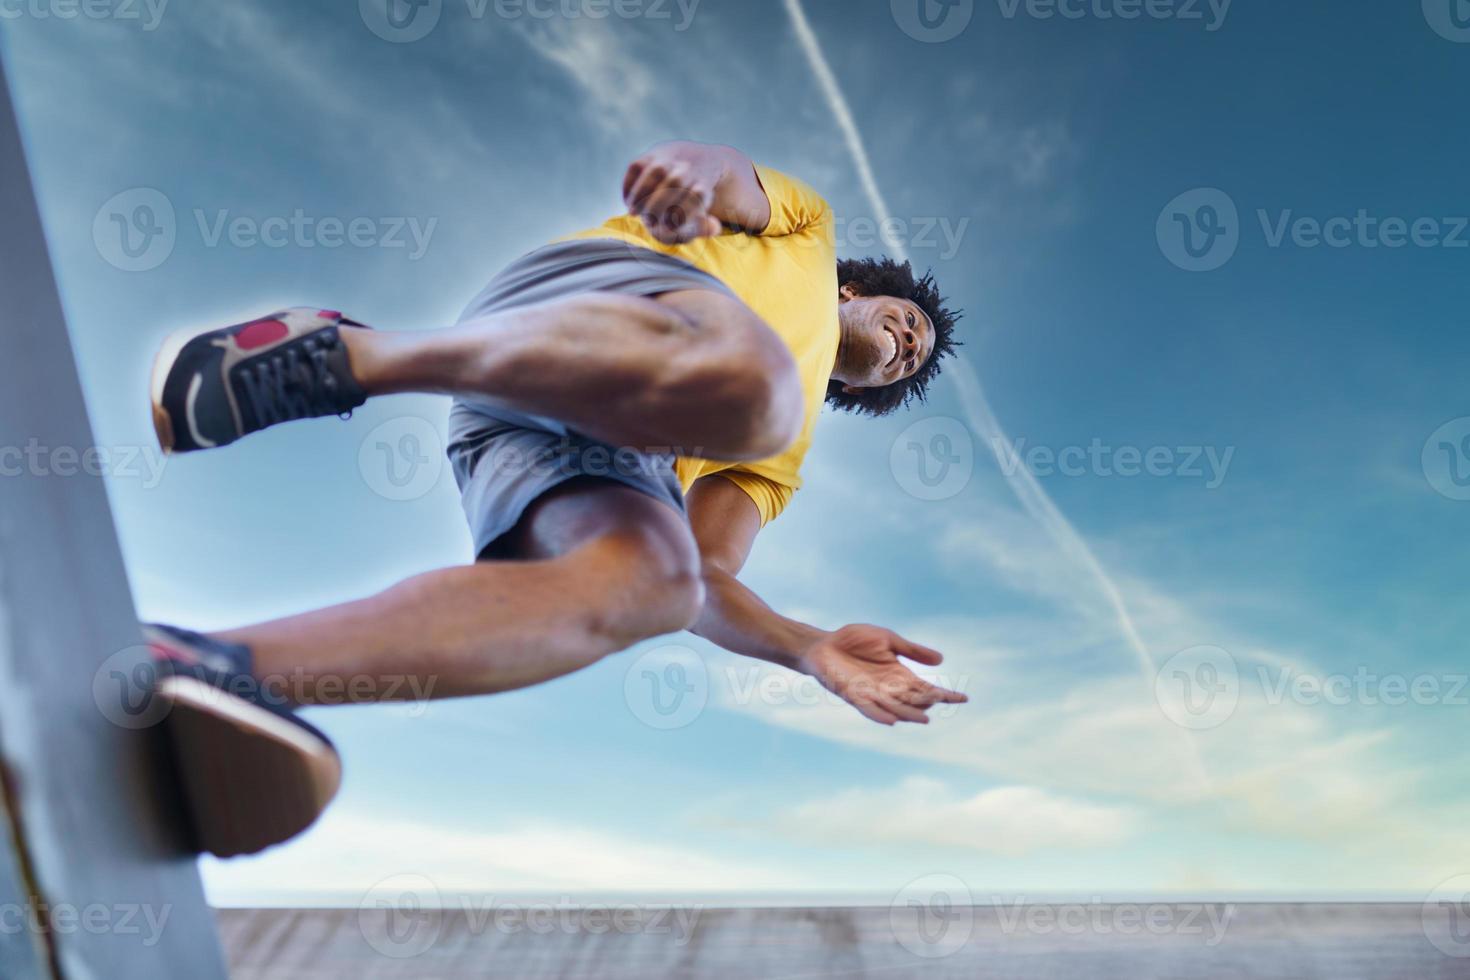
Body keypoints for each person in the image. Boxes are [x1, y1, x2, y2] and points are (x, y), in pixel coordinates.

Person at [145, 141, 966, 856]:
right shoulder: (810, 235)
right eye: (908, 322)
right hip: (599, 304)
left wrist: (808, 647)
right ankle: (342, 357)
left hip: (553, 435)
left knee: (654, 584)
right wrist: (688, 174)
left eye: (911, 360)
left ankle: (208, 668)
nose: (908, 345)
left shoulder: (780, 458)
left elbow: (709, 580)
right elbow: (726, 175)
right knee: (759, 394)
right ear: (857, 289)